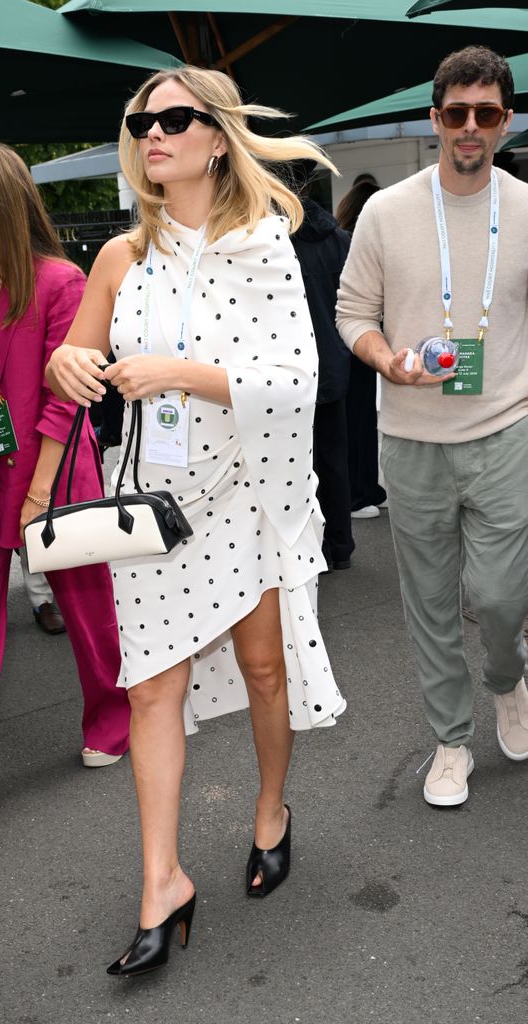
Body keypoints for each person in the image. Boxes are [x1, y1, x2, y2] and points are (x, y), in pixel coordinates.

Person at [46, 65, 346, 976]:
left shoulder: (264, 244)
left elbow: (302, 382)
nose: (153, 133)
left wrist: (176, 374)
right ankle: (160, 881)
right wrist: (67, 363)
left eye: (174, 118)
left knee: (262, 670)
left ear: (217, 137)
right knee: (149, 690)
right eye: (141, 120)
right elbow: (76, 350)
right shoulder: (118, 258)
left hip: (245, 497)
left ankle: (269, 809)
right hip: (156, 512)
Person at [336, 45, 528, 807]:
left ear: (506, 121)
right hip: (411, 439)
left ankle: (507, 679)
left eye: (486, 113)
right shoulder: (385, 212)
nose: (470, 128)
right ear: (435, 118)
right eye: (456, 114)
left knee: (502, 594)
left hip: (505, 430)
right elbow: (352, 312)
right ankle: (450, 740)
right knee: (428, 605)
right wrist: (384, 358)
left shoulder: (523, 206)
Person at [0, 144, 130, 830]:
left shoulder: (60, 282)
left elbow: (67, 400)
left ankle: (111, 718)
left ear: (6, 201)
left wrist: (40, 492)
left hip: (53, 475)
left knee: (87, 611)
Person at [291, 182, 354, 571]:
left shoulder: (273, 241)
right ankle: (341, 545)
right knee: (333, 458)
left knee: (297, 461)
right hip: (334, 360)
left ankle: (311, 546)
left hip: (293, 366)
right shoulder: (339, 238)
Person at [335, 180, 388, 520]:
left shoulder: (339, 236)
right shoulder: (356, 242)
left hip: (344, 339)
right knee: (361, 420)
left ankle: (364, 490)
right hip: (363, 337)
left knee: (353, 422)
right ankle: (364, 490)